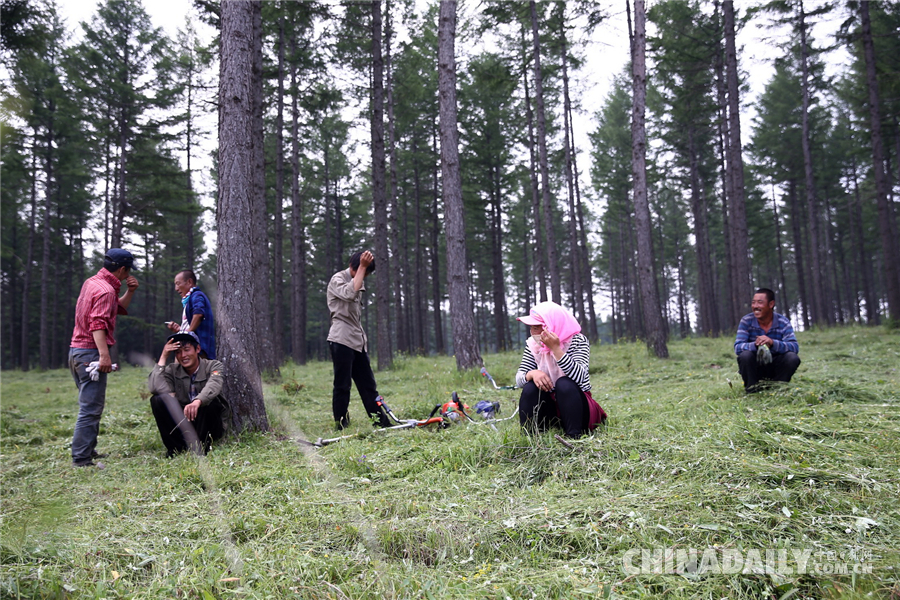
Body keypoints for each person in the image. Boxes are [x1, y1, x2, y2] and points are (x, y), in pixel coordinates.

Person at [69, 248, 139, 467]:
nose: (128, 275)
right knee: (90, 409)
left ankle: (88, 449)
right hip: (90, 354)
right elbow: (98, 324)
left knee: (90, 405)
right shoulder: (106, 291)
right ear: (122, 269)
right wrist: (104, 356)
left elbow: (116, 309)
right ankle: (81, 459)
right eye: (127, 272)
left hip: (76, 352)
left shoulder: (92, 283)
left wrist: (130, 291)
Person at [515, 301, 607, 437]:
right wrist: (532, 373)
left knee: (564, 383)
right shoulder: (533, 345)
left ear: (551, 326)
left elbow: (580, 376)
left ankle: (574, 435)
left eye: (538, 327)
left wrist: (556, 349)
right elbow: (519, 379)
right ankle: (529, 435)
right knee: (530, 387)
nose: (535, 332)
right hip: (550, 408)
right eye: (532, 328)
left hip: (577, 406)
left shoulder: (577, 341)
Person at [326, 250, 391, 430]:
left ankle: (381, 423)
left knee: (368, 385)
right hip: (341, 339)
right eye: (363, 272)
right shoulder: (337, 279)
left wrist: (362, 269)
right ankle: (341, 424)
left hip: (357, 340)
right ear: (354, 267)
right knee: (342, 385)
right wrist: (363, 266)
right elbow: (348, 293)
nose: (364, 277)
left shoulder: (358, 279)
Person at [147, 331, 230, 457]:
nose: (183, 355)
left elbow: (214, 384)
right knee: (157, 400)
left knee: (212, 402)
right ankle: (176, 449)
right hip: (185, 423)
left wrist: (198, 401)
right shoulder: (172, 370)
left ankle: (203, 447)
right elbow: (154, 388)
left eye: (187, 350)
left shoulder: (213, 365)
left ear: (197, 349)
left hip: (209, 424)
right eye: (178, 352)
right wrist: (164, 355)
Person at [734, 287, 801, 392]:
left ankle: (778, 389)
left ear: (771, 304)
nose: (755, 306)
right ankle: (752, 390)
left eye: (760, 303)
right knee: (745, 356)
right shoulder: (746, 321)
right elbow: (738, 347)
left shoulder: (783, 322)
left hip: (776, 367)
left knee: (792, 357)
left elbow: (794, 347)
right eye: (753, 303)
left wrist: (772, 343)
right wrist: (755, 345)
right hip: (755, 369)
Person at [166, 270, 215, 359]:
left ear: (189, 282)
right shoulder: (190, 300)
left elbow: (199, 314)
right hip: (190, 348)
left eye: (178, 284)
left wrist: (187, 334)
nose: (176, 288)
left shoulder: (197, 296)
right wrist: (180, 330)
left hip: (198, 349)